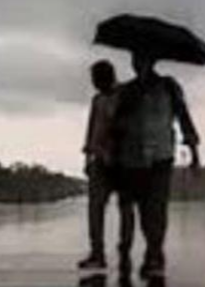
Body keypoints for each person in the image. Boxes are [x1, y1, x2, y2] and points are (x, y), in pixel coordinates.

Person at [114, 52, 201, 279]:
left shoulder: (169, 87)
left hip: (162, 157)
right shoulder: (127, 91)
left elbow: (184, 119)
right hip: (132, 159)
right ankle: (153, 251)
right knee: (144, 211)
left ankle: (154, 255)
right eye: (135, 60)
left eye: (141, 59)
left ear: (151, 62)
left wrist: (195, 154)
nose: (137, 64)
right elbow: (116, 125)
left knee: (157, 209)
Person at [78, 60, 135, 272]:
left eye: (95, 79)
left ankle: (124, 250)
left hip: (124, 161)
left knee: (126, 208)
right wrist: (88, 159)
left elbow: (131, 127)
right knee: (95, 208)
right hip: (100, 161)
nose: (93, 84)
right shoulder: (97, 99)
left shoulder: (126, 96)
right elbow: (91, 129)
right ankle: (97, 253)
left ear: (106, 77)